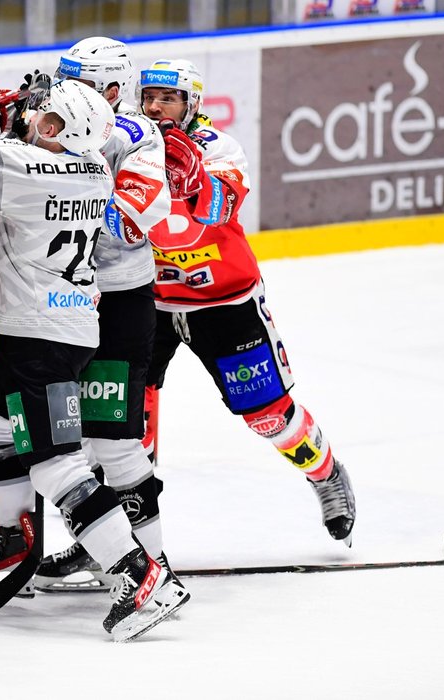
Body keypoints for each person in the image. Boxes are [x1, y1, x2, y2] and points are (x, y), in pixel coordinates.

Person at [0, 79, 189, 642]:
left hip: (40, 332)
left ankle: (141, 574)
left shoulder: (21, 170)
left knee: (56, 461)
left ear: (59, 128)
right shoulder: (94, 172)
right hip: (66, 327)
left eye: (45, 117)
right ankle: (19, 539)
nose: (35, 119)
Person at [138, 59, 357, 545]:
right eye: (148, 96)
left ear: (191, 104)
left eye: (167, 98)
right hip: (148, 302)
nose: (154, 106)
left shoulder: (219, 148)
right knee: (127, 417)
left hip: (224, 302)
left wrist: (189, 173)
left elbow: (216, 211)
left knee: (268, 414)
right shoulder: (127, 146)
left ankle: (325, 474)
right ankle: (125, 529)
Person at [35, 37, 173, 592]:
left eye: (84, 86)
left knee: (114, 437)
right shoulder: (49, 124)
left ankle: (155, 563)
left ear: (115, 90)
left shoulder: (137, 137)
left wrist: (67, 179)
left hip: (117, 301)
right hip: (58, 304)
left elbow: (130, 223)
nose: (66, 97)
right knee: (62, 439)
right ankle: (101, 547)